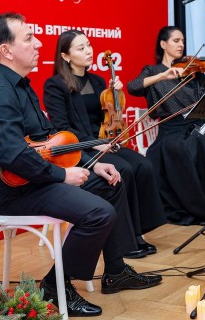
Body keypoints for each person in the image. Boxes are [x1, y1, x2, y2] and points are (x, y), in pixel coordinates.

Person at [0, 13, 161, 317]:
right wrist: (62, 175)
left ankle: (115, 271)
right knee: (98, 213)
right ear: (6, 50)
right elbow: (14, 156)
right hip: (15, 191)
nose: (38, 43)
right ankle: (55, 287)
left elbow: (50, 142)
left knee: (111, 181)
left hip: (34, 178)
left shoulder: (19, 85)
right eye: (29, 38)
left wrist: (90, 165)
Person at [43, 29, 167, 259]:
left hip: (105, 140)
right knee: (124, 169)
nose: (89, 51)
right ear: (66, 56)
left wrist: (115, 95)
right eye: (81, 48)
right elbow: (61, 129)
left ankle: (138, 230)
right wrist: (94, 143)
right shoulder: (55, 85)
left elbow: (109, 116)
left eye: (88, 45)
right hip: (80, 148)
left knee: (143, 165)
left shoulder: (98, 81)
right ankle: (126, 242)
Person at [126, 25, 205, 226]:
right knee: (183, 146)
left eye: (183, 41)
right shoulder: (153, 71)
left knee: (200, 140)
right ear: (163, 44)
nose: (181, 45)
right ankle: (197, 207)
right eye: (176, 41)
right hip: (170, 130)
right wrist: (163, 76)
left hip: (194, 126)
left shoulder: (193, 70)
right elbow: (132, 87)